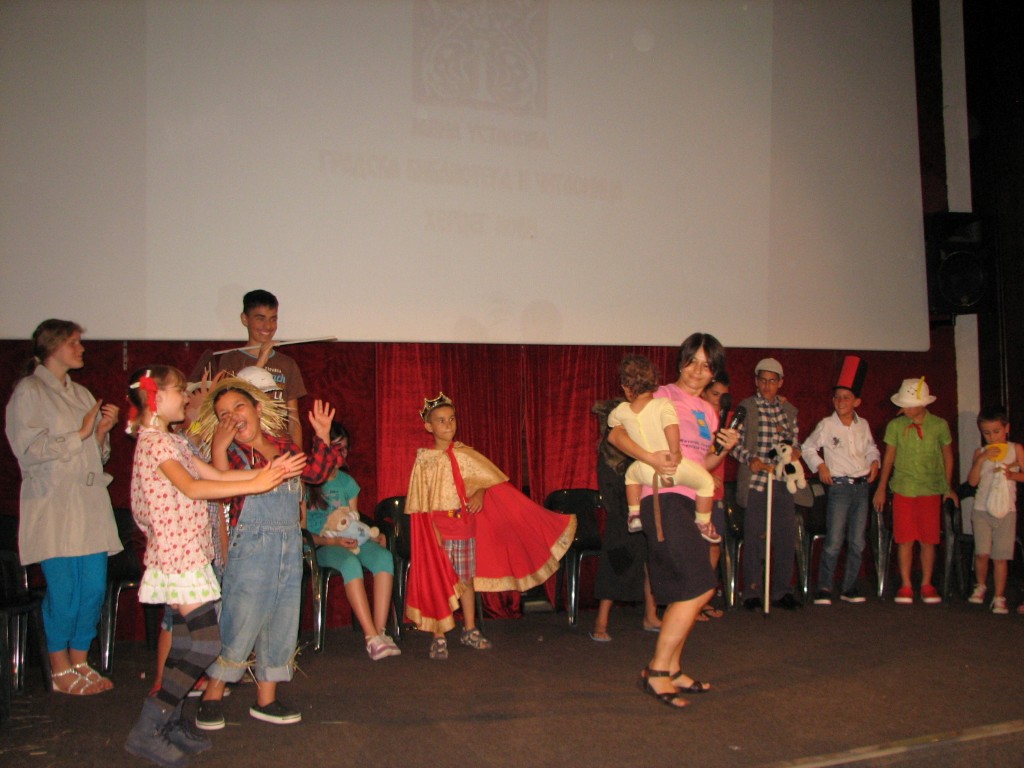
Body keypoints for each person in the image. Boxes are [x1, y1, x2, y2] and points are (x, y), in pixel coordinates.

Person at [123, 366, 305, 766]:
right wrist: (257, 483)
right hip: (177, 557)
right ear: (156, 399)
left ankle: (168, 723)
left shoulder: (174, 441)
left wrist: (270, 472)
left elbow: (217, 475)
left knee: (186, 643)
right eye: (179, 391)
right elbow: (192, 487)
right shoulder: (155, 443)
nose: (187, 398)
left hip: (191, 553)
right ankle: (147, 729)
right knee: (206, 643)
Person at [190, 377, 340, 728]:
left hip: (289, 546)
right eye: (223, 414)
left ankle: (266, 699)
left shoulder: (282, 445)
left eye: (239, 407)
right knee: (241, 620)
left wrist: (322, 437)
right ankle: (212, 694)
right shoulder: (231, 451)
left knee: (282, 619)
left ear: (258, 409)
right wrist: (218, 447)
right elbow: (221, 489)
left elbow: (316, 474)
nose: (232, 417)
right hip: (252, 549)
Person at [608, 333, 739, 709]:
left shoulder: (709, 411)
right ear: (680, 362)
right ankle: (657, 670)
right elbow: (615, 434)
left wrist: (724, 449)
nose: (698, 371)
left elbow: (702, 463)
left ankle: (674, 668)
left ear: (714, 372)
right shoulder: (661, 395)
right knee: (699, 586)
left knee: (692, 589)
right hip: (662, 497)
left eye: (707, 365)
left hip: (693, 500)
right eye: (692, 361)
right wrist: (649, 457)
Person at [405, 393, 576, 660]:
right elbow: (420, 502)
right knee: (439, 582)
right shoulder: (425, 461)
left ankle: (470, 629)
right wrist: (432, 533)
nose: (448, 425)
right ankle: (439, 635)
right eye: (441, 420)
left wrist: (480, 493)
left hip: (463, 528)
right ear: (429, 426)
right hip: (437, 530)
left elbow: (487, 481)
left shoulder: (466, 454)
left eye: (451, 419)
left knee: (466, 580)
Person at [4, 319, 122, 695]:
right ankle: (59, 667)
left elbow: (96, 457)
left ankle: (80, 660)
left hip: (88, 506)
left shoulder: (82, 393)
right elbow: (28, 450)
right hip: (54, 505)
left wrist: (100, 434)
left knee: (93, 589)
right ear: (52, 346)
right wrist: (81, 433)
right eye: (73, 342)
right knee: (65, 590)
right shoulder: (30, 391)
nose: (81, 348)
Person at [302, 422, 400, 659]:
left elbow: (354, 522)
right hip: (321, 545)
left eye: (344, 449)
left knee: (384, 557)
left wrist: (371, 536)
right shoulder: (306, 482)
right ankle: (370, 637)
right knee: (350, 563)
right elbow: (301, 531)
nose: (340, 454)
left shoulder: (347, 483)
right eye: (335, 447)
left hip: (350, 541)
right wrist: (331, 542)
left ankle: (380, 632)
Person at [608, 355, 719, 543]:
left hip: (645, 469)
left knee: (631, 476)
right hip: (671, 468)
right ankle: (703, 522)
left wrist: (649, 458)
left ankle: (634, 514)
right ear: (655, 383)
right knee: (706, 482)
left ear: (625, 387)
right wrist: (675, 453)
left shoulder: (622, 410)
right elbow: (671, 428)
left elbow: (613, 433)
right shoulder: (663, 403)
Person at [800, 356, 880, 606]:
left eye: (846, 398)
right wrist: (821, 465)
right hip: (840, 488)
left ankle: (850, 586)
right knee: (834, 540)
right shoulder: (827, 425)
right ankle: (824, 586)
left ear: (857, 402)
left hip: (861, 487)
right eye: (837, 398)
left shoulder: (863, 425)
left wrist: (875, 462)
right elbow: (807, 447)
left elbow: (871, 448)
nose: (840, 402)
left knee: (857, 541)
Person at [872, 377, 957, 605]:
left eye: (910, 405)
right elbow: (889, 459)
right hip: (904, 488)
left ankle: (927, 583)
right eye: (904, 405)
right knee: (905, 539)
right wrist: (881, 487)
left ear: (924, 404)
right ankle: (906, 583)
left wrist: (947, 487)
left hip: (930, 488)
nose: (906, 409)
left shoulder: (939, 425)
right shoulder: (896, 426)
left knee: (928, 539)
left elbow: (948, 457)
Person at [731, 357, 804, 611]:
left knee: (785, 538)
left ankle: (782, 590)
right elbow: (732, 443)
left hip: (783, 481)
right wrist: (750, 460)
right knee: (755, 538)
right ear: (756, 381)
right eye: (762, 380)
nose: (767, 386)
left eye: (772, 381)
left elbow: (795, 442)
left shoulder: (788, 410)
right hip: (757, 483)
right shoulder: (746, 407)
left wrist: (796, 451)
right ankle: (752, 591)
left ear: (780, 382)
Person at [192, 289, 307, 445]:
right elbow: (230, 403)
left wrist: (297, 453)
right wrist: (260, 362)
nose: (268, 325)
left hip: (279, 447)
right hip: (243, 446)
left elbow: (293, 418)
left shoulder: (287, 363)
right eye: (260, 318)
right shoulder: (231, 359)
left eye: (273, 319)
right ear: (245, 319)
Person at [589, 399, 661, 642]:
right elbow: (610, 490)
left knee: (651, 563)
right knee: (615, 564)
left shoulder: (641, 446)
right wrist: (628, 512)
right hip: (621, 516)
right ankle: (601, 622)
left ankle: (651, 616)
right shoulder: (608, 451)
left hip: (645, 511)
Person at [965, 406, 1022, 615]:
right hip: (982, 509)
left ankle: (999, 595)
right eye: (987, 433)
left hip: (1006, 510)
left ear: (1006, 428)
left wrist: (1012, 475)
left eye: (996, 431)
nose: (992, 437)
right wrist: (981, 459)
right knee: (982, 553)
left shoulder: (1016, 449)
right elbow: (972, 482)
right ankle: (980, 585)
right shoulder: (980, 452)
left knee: (1000, 556)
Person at [697, 374, 731, 619]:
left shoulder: (725, 419)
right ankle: (691, 602)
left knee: (714, 547)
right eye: (714, 394)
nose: (719, 400)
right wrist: (705, 473)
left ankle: (705, 598)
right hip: (696, 491)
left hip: (716, 493)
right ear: (703, 393)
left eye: (723, 396)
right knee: (697, 548)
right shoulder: (697, 417)